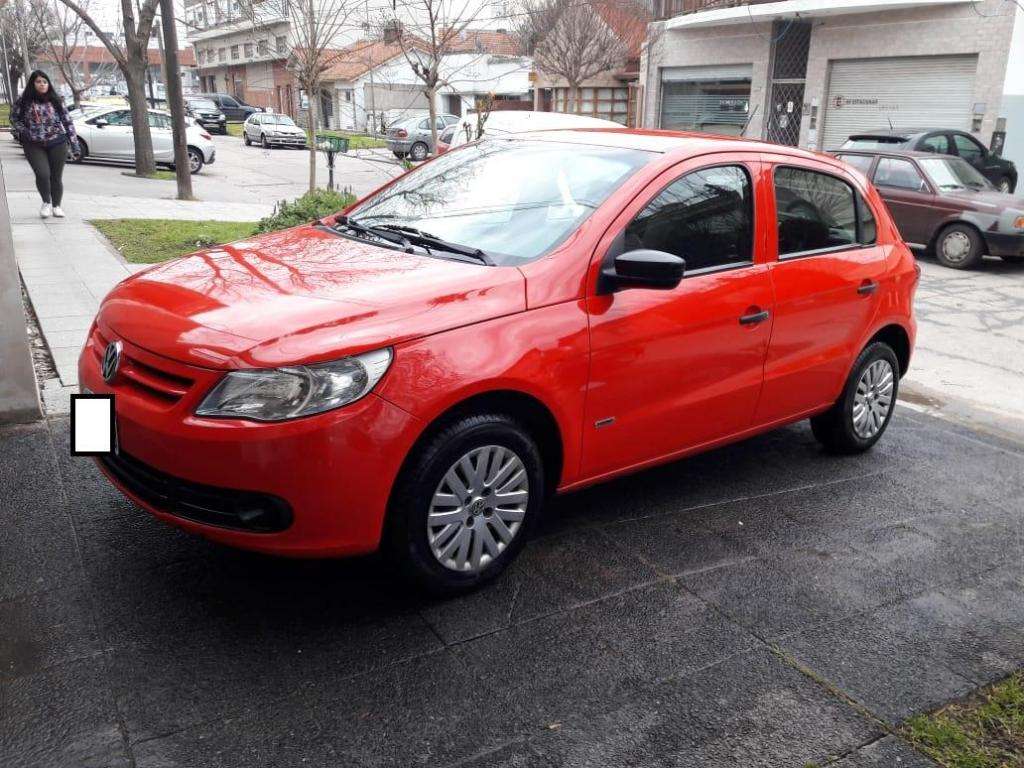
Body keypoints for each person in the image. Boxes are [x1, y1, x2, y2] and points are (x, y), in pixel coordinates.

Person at [10, 70, 79, 219]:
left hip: (57, 141)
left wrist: (74, 145)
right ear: (32, 84)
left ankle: (56, 206)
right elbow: (14, 118)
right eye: (38, 82)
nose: (42, 84)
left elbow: (68, 122)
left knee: (56, 176)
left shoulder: (56, 99)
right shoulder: (23, 100)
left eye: (45, 82)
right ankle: (46, 203)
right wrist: (24, 131)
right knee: (42, 174)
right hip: (33, 143)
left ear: (48, 84)